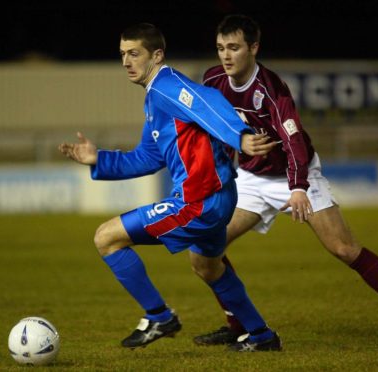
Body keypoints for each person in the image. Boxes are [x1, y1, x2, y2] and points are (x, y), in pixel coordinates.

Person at [192, 14, 378, 346]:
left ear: (254, 47)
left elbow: (293, 141)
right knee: (206, 250)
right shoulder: (212, 80)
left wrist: (297, 187)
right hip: (251, 178)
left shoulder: (271, 89)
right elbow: (203, 120)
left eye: (234, 48)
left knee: (343, 248)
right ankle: (237, 324)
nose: (226, 55)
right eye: (221, 48)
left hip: (296, 175)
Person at [58, 23, 282, 352]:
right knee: (207, 266)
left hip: (199, 201)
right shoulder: (155, 99)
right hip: (216, 197)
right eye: (122, 55)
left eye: (134, 53)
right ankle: (262, 336)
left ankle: (158, 316)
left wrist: (240, 136)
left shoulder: (167, 86)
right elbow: (147, 157)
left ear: (157, 55)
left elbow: (208, 102)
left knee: (106, 238)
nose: (126, 62)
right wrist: (98, 159)